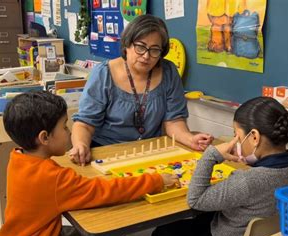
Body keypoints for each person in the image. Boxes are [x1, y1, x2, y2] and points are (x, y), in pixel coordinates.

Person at [0, 91, 178, 236]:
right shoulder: (52, 177)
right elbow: (105, 191)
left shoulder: (18, 157)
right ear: (44, 137)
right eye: (64, 126)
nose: (68, 132)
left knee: (102, 233)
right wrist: (156, 180)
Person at [134, 96, 288, 236]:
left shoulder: (246, 181)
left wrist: (211, 155)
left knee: (164, 231)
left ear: (254, 137)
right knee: (201, 219)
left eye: (236, 136)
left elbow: (195, 200)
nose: (234, 141)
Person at [70, 14, 213, 166]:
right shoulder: (103, 74)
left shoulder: (169, 72)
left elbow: (174, 121)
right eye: (140, 47)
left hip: (150, 152)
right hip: (106, 153)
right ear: (127, 45)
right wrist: (81, 145)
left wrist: (190, 139)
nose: (146, 56)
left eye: (155, 50)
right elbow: (85, 123)